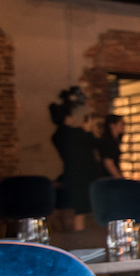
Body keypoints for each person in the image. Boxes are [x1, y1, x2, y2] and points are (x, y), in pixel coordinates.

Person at [49, 89, 98, 231]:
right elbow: (93, 143)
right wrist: (87, 130)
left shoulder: (57, 135)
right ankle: (80, 239)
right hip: (81, 177)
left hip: (71, 175)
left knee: (78, 211)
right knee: (81, 212)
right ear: (68, 117)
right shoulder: (75, 133)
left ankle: (77, 238)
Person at [99, 114, 126, 178]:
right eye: (121, 124)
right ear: (112, 125)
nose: (124, 126)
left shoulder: (112, 141)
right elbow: (108, 162)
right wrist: (119, 178)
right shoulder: (109, 142)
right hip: (108, 179)